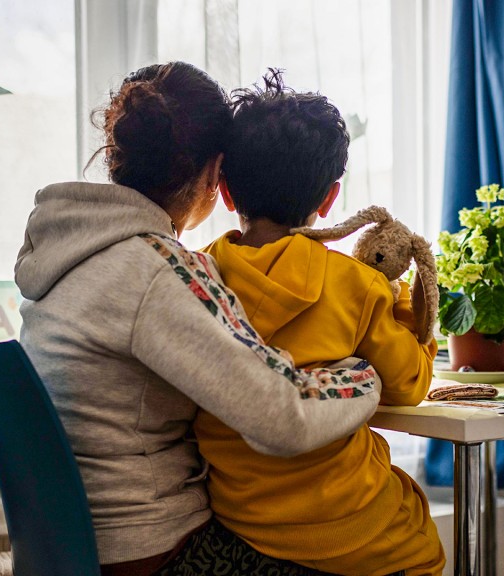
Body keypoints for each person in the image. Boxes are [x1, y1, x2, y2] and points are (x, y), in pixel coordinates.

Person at [14, 61, 381, 576]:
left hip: (71, 544)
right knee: (379, 554)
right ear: (215, 174)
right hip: (155, 553)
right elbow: (284, 419)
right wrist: (362, 372)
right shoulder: (155, 270)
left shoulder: (68, 250)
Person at [197, 70, 446, 576]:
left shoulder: (197, 276)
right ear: (330, 199)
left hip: (242, 522)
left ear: (224, 189)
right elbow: (409, 387)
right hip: (355, 528)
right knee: (423, 547)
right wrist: (406, 306)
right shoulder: (356, 283)